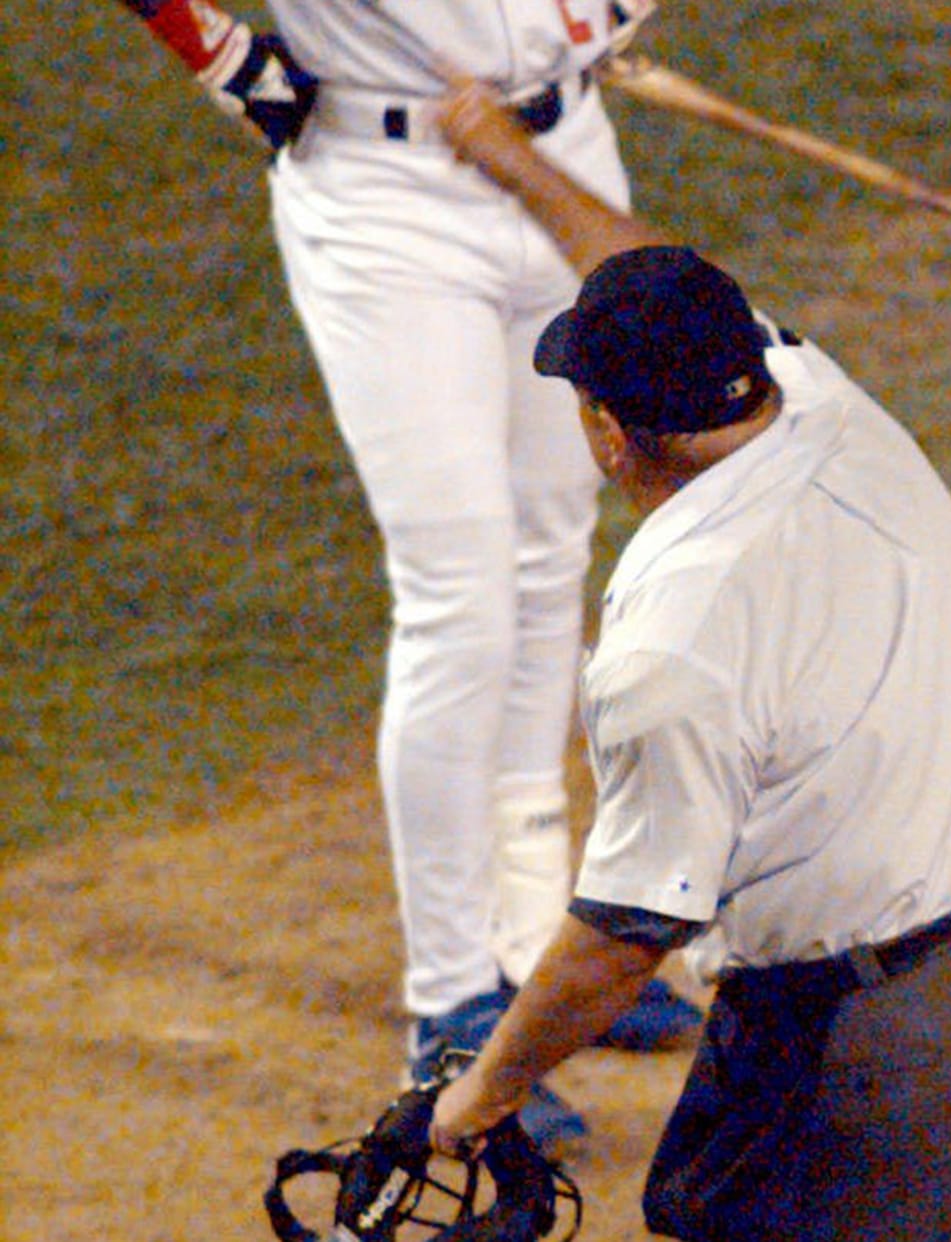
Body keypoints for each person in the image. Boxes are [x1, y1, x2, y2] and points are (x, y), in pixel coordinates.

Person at [421, 76, 951, 1241]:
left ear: (604, 430)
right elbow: (655, 268)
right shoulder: (827, 402)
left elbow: (625, 937)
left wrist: (484, 1089)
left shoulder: (673, 635)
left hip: (887, 1056)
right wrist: (512, 156)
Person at [111, 0, 702, 1153]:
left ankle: (536, 944)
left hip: (558, 157)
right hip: (384, 197)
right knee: (461, 594)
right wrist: (220, 56)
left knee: (550, 552)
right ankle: (448, 1002)